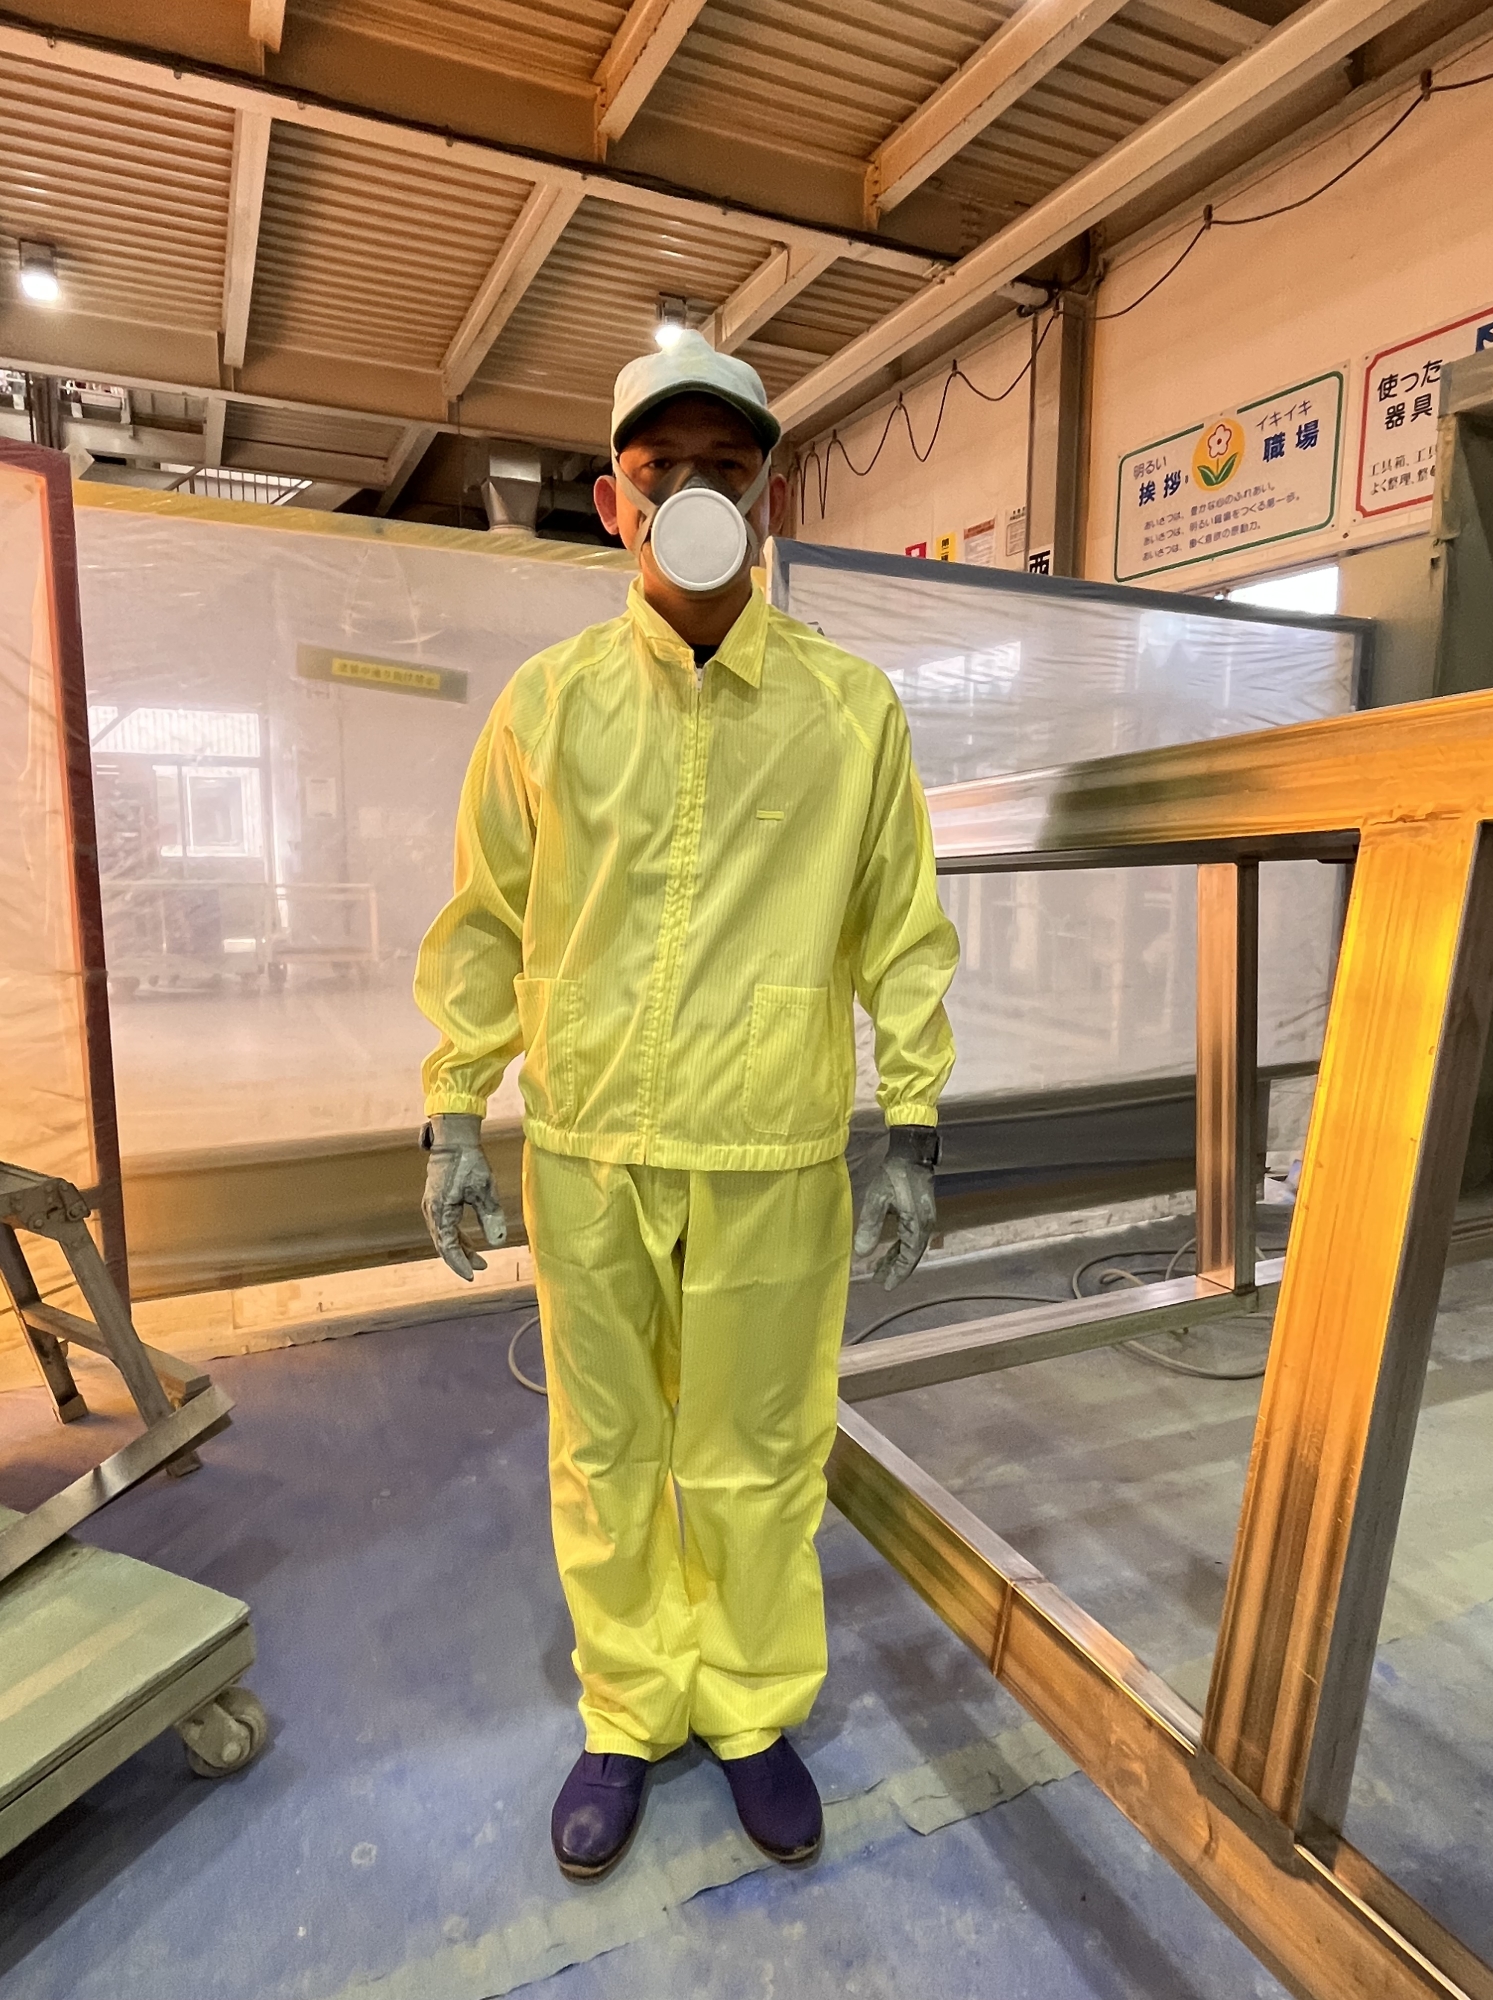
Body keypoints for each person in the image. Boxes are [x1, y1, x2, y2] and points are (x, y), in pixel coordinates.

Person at [414, 330, 958, 1882]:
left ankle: (750, 1705)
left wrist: (912, 1128)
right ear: (613, 502)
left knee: (762, 1446)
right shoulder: (549, 707)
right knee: (605, 1447)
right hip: (589, 1146)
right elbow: (486, 920)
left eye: (727, 469)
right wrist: (455, 1109)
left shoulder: (847, 710)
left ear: (767, 494)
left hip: (773, 1147)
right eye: (665, 474)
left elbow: (900, 929)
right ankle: (632, 1704)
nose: (696, 499)